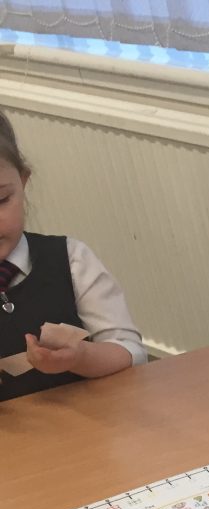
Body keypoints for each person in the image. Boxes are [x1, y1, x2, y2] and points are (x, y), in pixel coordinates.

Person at [0, 110, 145, 402]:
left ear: (24, 182)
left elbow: (130, 350)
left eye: (1, 200)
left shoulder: (72, 260)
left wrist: (81, 358)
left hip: (87, 423)